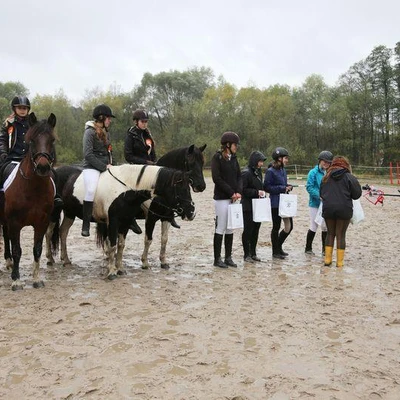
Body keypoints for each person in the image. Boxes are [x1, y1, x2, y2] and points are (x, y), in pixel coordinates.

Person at [0, 96, 63, 209]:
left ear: (28, 109)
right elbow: (3, 140)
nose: (22, 110)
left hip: (30, 158)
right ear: (14, 109)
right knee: (1, 170)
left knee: (53, 173)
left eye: (25, 108)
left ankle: (56, 196)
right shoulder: (9, 124)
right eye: (19, 108)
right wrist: (3, 152)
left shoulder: (34, 124)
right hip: (12, 158)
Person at [320, 156, 362, 267]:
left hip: (328, 209)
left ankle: (327, 260)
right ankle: (339, 263)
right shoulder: (349, 177)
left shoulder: (326, 177)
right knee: (341, 235)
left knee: (330, 233)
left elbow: (321, 193)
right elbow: (357, 194)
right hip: (344, 209)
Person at [81, 104, 115, 237]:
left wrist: (114, 165)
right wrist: (103, 167)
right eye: (108, 118)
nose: (110, 121)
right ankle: (86, 224)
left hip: (107, 166)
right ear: (101, 118)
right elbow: (88, 154)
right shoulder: (89, 132)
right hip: (91, 167)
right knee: (90, 190)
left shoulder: (107, 132)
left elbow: (109, 152)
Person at [211, 131, 242, 268]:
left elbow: (239, 176)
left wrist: (238, 192)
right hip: (222, 198)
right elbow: (216, 178)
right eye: (235, 145)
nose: (237, 147)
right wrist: (230, 192)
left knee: (230, 228)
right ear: (228, 145)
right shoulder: (217, 158)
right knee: (221, 227)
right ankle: (217, 259)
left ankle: (228, 257)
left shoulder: (234, 158)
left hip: (234, 198)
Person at [263, 147, 293, 259]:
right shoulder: (270, 171)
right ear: (279, 158)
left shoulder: (283, 170)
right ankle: (275, 251)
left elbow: (282, 184)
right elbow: (266, 187)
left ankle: (278, 246)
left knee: (289, 227)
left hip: (284, 203)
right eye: (285, 158)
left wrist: (288, 187)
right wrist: (282, 188)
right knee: (276, 227)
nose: (287, 160)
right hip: (275, 203)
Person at [305, 150, 333, 255]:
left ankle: (324, 250)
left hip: (326, 203)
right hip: (315, 203)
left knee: (325, 226)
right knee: (314, 225)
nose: (326, 164)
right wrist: (319, 196)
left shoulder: (329, 173)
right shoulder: (313, 172)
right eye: (324, 162)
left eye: (328, 162)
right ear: (320, 161)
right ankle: (308, 248)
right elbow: (309, 187)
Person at [241, 150, 267, 263]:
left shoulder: (258, 172)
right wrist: (257, 192)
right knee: (248, 230)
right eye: (260, 161)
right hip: (248, 206)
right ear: (255, 161)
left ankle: (253, 253)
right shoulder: (246, 173)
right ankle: (246, 254)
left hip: (258, 206)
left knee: (256, 229)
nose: (261, 164)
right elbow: (243, 190)